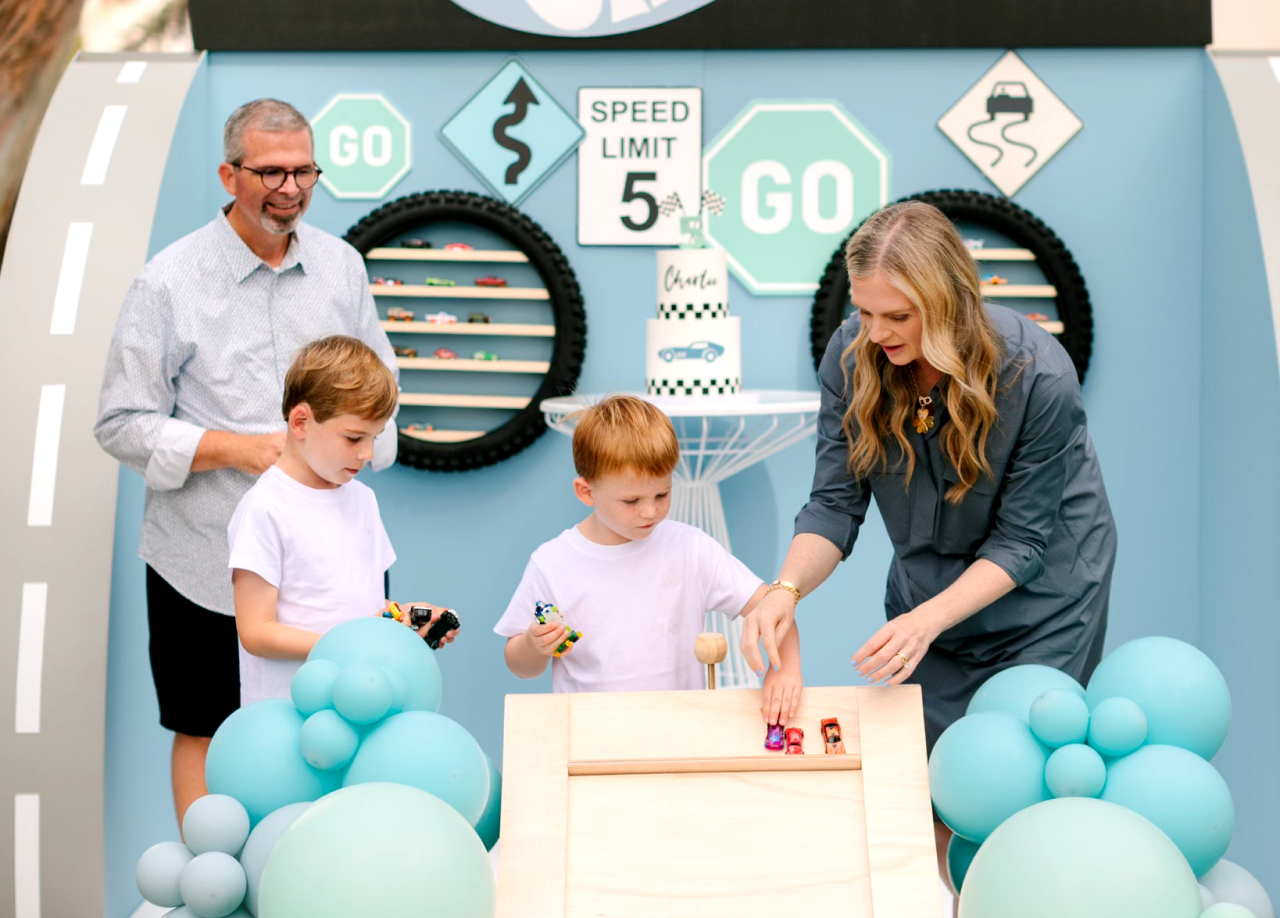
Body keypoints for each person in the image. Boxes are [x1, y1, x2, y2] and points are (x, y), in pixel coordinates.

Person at [94, 99, 399, 823]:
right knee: (205, 723)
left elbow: (383, 401)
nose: (289, 188)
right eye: (270, 172)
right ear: (230, 173)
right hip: (200, 559)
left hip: (332, 555)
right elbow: (119, 422)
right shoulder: (165, 282)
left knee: (349, 713)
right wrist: (244, 449)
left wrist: (354, 449)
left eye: (304, 171)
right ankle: (212, 884)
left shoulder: (342, 267)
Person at [742, 199, 1116, 748]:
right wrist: (784, 591)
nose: (875, 334)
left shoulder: (1038, 376)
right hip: (925, 599)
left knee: (1010, 774)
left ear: (951, 303)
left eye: (898, 317)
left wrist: (926, 620)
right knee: (924, 784)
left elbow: (1022, 541)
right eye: (864, 312)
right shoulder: (852, 357)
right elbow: (834, 504)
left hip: (1043, 605)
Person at [495, 395, 802, 711]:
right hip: (588, 742)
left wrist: (787, 669)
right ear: (586, 492)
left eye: (662, 493)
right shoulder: (552, 563)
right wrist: (535, 645)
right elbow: (522, 668)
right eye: (631, 501)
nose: (650, 511)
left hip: (677, 739)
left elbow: (772, 607)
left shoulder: (690, 548)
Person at [230, 336, 455, 704]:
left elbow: (365, 608)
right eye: (353, 438)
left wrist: (406, 621)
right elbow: (256, 632)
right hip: (290, 712)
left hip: (361, 702)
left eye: (374, 438)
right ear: (301, 421)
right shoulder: (265, 508)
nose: (366, 453)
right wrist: (350, 648)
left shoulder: (363, 500)